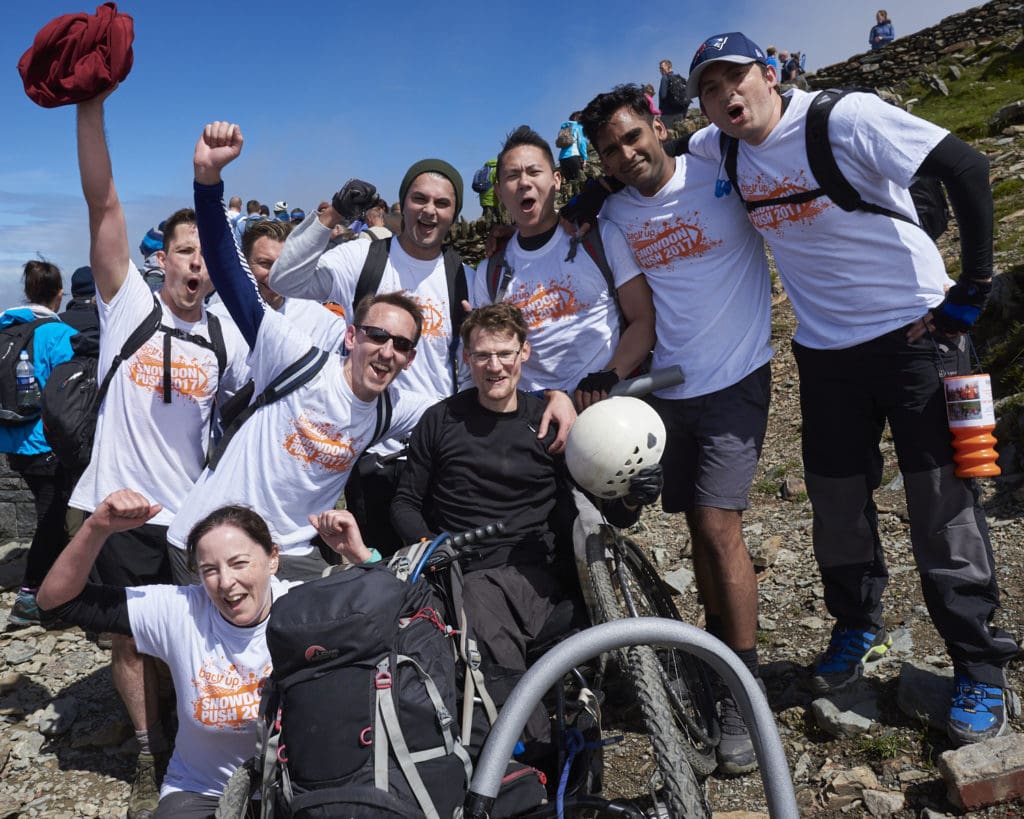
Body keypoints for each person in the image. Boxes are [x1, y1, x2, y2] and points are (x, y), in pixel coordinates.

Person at [685, 30, 1019, 745]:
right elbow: (653, 165)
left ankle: (980, 664)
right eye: (709, 90)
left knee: (942, 505)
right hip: (825, 354)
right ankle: (857, 625)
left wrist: (976, 283)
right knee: (837, 502)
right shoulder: (721, 148)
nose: (723, 97)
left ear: (770, 72)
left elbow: (964, 164)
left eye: (734, 79)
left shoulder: (845, 118)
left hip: (917, 339)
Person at [576, 83, 774, 775]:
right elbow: (641, 316)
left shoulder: (718, 162)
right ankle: (722, 643)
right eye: (611, 149)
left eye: (633, 136)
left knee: (720, 528)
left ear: (657, 124)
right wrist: (602, 379)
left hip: (737, 375)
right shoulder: (617, 217)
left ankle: (742, 693)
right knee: (695, 524)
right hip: (671, 387)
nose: (627, 154)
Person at [69, 88, 251, 818]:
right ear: (163, 258)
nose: (198, 264)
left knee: (204, 633)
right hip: (117, 511)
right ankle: (149, 749)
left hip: (188, 515)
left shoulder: (225, 335)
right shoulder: (127, 306)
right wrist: (91, 109)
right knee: (128, 638)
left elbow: (267, 397)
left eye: (209, 253)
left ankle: (195, 741)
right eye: (185, 251)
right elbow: (104, 205)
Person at [167, 120, 451, 581]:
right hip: (210, 541)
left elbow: (469, 409)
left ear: (410, 358)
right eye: (377, 335)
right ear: (352, 335)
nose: (386, 351)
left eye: (401, 345)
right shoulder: (295, 355)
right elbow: (234, 276)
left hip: (289, 556)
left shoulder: (393, 409)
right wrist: (208, 182)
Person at [270, 158, 575, 554]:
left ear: (454, 213)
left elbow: (482, 361)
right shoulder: (361, 259)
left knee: (437, 569)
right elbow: (284, 279)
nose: (430, 210)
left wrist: (549, 396)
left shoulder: (463, 276)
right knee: (380, 572)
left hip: (440, 453)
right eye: (419, 199)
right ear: (402, 204)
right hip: (373, 452)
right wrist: (334, 216)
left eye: (443, 203)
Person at [391, 302, 657, 750]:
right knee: (477, 598)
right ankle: (530, 746)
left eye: (504, 353)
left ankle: (526, 747)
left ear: (524, 353)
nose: (494, 366)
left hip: (538, 570)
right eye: (481, 355)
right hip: (461, 565)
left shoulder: (550, 422)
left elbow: (606, 507)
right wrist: (430, 548)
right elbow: (405, 501)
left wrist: (634, 492)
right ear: (466, 359)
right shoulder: (440, 421)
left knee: (484, 602)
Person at [36, 489, 368, 818]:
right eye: (210, 569)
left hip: (297, 786)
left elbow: (407, 615)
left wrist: (362, 558)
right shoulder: (181, 610)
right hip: (203, 788)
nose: (226, 582)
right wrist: (97, 528)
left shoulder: (306, 607)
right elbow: (59, 601)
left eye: (240, 563)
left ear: (273, 559)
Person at [476, 125, 654, 408]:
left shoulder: (602, 238)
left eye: (534, 172)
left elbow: (643, 319)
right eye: (512, 176)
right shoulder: (490, 271)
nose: (524, 182)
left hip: (604, 405)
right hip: (532, 416)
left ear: (556, 180)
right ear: (498, 192)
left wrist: (609, 374)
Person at [0, 261, 79, 629]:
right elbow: (69, 392)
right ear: (59, 294)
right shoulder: (56, 334)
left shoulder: (6, 327)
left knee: (52, 513)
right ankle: (31, 597)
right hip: (45, 444)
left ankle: (55, 586)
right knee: (52, 519)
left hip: (12, 440)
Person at [657, 59, 689, 130]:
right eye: (660, 68)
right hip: (680, 114)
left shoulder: (664, 78)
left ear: (669, 67)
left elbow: (663, 95)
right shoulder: (679, 78)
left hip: (667, 115)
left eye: (662, 68)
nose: (660, 70)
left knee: (668, 139)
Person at [556, 113, 588, 182]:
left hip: (562, 159)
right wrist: (585, 158)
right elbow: (582, 143)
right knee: (581, 181)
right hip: (573, 156)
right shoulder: (578, 127)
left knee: (570, 183)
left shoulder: (564, 128)